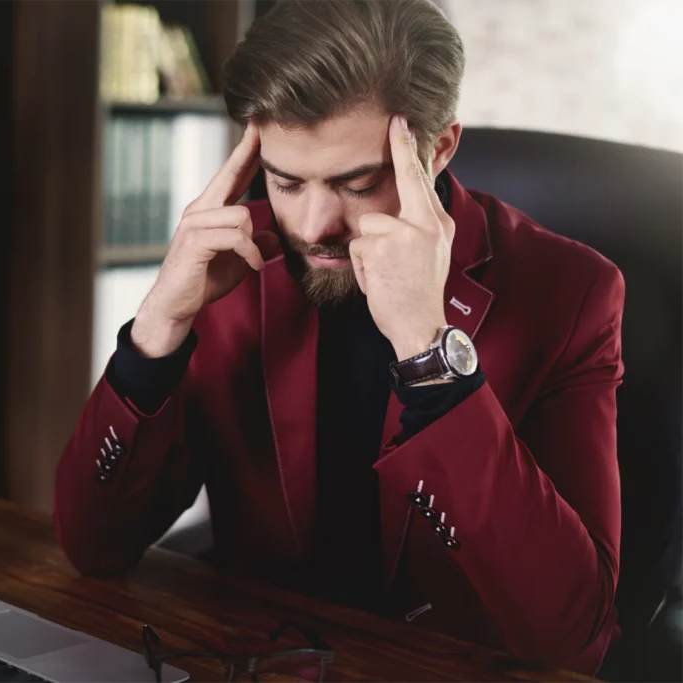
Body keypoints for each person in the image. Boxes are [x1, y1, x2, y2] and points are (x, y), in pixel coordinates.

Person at [55, 0, 624, 675]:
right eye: (286, 180)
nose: (316, 222)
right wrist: (157, 328)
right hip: (249, 656)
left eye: (358, 183)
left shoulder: (573, 292)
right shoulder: (233, 263)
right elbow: (93, 547)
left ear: (438, 150)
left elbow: (572, 639)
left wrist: (427, 350)